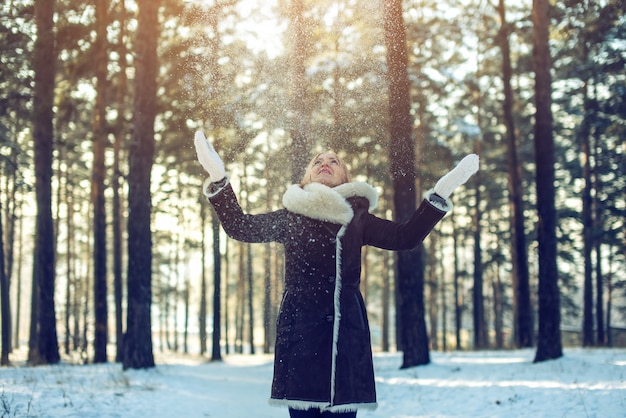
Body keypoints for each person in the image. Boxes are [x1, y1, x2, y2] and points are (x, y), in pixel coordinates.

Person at [194, 131, 479, 417]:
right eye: (318, 161)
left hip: (345, 334)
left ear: (345, 177)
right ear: (306, 177)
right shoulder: (290, 216)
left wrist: (442, 191)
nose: (325, 163)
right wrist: (219, 177)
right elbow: (241, 227)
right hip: (301, 335)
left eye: (334, 161)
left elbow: (405, 237)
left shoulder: (358, 217)